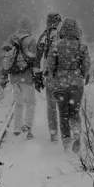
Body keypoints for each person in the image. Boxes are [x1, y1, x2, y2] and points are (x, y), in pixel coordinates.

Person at [46, 18, 91, 152]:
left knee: (63, 113)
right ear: (76, 30)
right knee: (75, 112)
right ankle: (76, 132)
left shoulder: (56, 44)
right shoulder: (81, 46)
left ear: (62, 30)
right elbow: (86, 65)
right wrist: (82, 75)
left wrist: (53, 76)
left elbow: (50, 65)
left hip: (60, 83)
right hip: (76, 84)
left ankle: (66, 144)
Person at [0, 17, 38, 139]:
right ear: (29, 27)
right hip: (27, 77)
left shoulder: (11, 40)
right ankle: (27, 127)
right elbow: (34, 60)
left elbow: (5, 59)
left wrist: (4, 77)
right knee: (30, 102)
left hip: (14, 78)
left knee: (18, 103)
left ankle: (16, 128)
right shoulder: (31, 40)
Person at [35, 12, 62, 143]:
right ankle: (67, 134)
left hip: (50, 75)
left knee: (51, 106)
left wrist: (37, 75)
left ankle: (53, 134)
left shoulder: (44, 36)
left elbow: (37, 58)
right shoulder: (65, 35)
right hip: (64, 76)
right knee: (65, 106)